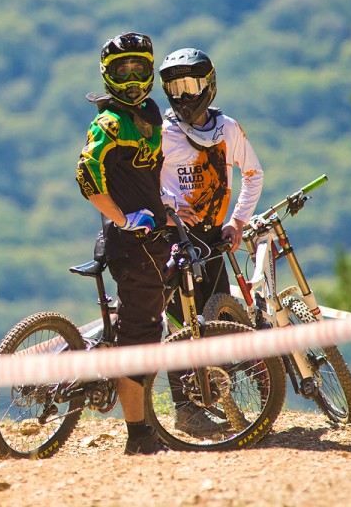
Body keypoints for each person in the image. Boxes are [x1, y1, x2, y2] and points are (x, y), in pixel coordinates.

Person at [158, 47, 265, 435]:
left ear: (209, 85)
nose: (184, 95)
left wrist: (238, 221)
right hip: (173, 239)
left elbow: (254, 174)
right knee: (178, 326)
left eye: (192, 85)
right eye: (175, 87)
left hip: (213, 238)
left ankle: (213, 400)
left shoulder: (228, 129)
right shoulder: (161, 133)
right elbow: (143, 184)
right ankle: (185, 410)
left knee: (215, 320)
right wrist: (167, 206)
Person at [75, 32, 171, 455]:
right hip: (131, 244)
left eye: (139, 69)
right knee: (140, 335)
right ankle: (140, 437)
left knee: (143, 323)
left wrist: (167, 208)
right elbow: (85, 176)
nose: (131, 80)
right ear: (106, 75)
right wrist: (124, 219)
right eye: (121, 71)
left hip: (154, 238)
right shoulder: (109, 122)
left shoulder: (150, 111)